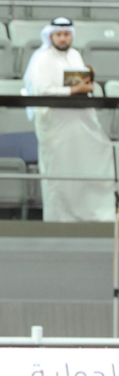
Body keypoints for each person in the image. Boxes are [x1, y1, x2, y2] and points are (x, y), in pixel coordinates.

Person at [24, 17, 115, 222]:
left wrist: (85, 89)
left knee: (86, 165)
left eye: (66, 34)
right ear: (51, 35)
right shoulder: (42, 59)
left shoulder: (75, 55)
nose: (63, 39)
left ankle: (89, 215)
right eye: (59, 34)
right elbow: (41, 91)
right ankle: (60, 219)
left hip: (79, 122)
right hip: (56, 126)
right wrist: (74, 90)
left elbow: (81, 84)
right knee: (59, 175)